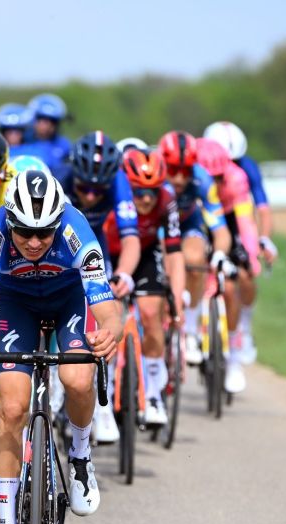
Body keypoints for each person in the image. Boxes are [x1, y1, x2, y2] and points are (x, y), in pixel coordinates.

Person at [0, 170, 122, 524]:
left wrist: (110, 332)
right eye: (24, 233)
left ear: (58, 223)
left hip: (68, 301)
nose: (34, 242)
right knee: (12, 409)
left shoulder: (75, 230)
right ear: (9, 221)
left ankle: (80, 456)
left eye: (44, 233)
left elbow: (106, 307)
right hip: (16, 305)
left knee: (77, 378)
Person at [62, 130, 140, 444]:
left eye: (99, 190)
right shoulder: (62, 178)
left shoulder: (119, 182)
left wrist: (124, 274)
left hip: (96, 247)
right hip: (60, 247)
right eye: (85, 188)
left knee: (110, 310)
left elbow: (131, 238)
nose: (92, 196)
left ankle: (102, 398)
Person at [104, 147, 186, 426]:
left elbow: (174, 252)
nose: (147, 199)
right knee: (110, 316)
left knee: (152, 312)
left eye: (152, 191)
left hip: (146, 254)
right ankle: (105, 390)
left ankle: (152, 393)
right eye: (138, 191)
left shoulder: (167, 200)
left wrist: (176, 299)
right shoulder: (113, 195)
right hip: (110, 254)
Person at [203, 121, 278, 365]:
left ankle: (244, 325)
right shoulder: (198, 169)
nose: (228, 167)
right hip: (205, 216)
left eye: (235, 161)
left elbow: (259, 210)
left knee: (245, 273)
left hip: (233, 216)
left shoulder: (245, 171)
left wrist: (261, 241)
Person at [155, 130, 232, 369]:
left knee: (196, 259)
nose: (179, 178)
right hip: (157, 226)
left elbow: (220, 230)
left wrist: (219, 254)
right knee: (164, 265)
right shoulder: (153, 175)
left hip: (188, 226)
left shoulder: (202, 180)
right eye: (173, 170)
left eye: (185, 170)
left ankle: (190, 329)